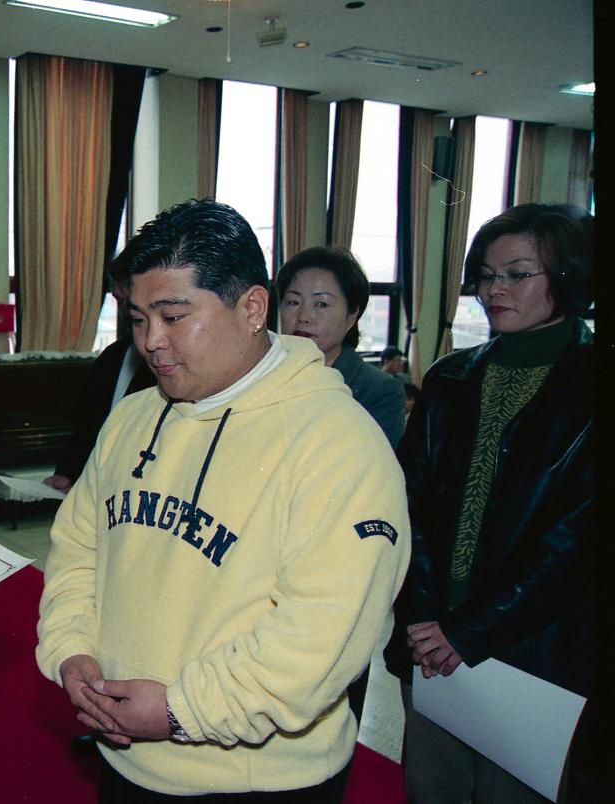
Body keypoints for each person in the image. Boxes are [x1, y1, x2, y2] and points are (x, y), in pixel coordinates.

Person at [35, 199, 409, 802]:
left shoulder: (340, 443)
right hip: (125, 756)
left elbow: (319, 636)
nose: (152, 341)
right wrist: (71, 647)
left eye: (175, 315)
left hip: (257, 779)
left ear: (252, 308)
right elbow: (79, 548)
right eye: (137, 318)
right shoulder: (134, 416)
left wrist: (181, 711)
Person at [385, 203, 593, 803]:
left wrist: (470, 631)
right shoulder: (451, 378)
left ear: (567, 277)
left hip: (532, 650)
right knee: (431, 787)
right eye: (484, 274)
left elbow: (576, 541)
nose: (493, 289)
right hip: (430, 639)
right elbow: (409, 502)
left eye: (516, 273)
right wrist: (426, 617)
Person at [276, 245, 406, 448]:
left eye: (321, 304)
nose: (303, 317)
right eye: (293, 302)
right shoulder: (263, 376)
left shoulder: (380, 391)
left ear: (352, 315)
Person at [43, 274, 156, 493]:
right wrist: (68, 472)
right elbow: (87, 423)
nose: (123, 311)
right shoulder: (114, 355)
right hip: (102, 484)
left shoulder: (168, 362)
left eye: (124, 301)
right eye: (118, 301)